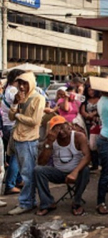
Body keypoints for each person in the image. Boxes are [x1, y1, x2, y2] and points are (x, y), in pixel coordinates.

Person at [35, 116, 91, 216]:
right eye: (56, 129)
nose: (60, 132)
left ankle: (77, 203)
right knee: (38, 170)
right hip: (59, 173)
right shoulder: (52, 140)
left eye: (62, 127)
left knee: (85, 170)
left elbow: (87, 157)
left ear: (69, 126)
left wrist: (75, 172)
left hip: (76, 172)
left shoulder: (78, 136)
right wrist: (48, 143)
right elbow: (42, 162)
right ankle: (47, 203)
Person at [7, 72, 46, 215]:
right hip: (17, 138)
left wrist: (18, 115)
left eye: (25, 83)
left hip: (28, 140)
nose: (22, 87)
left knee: (27, 174)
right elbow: (11, 117)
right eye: (20, 83)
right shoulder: (20, 97)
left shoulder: (38, 98)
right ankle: (29, 201)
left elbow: (35, 121)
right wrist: (15, 104)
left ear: (31, 83)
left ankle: (26, 203)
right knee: (25, 173)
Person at [2, 69, 25, 195]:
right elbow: (19, 106)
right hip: (12, 126)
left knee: (11, 155)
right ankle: (10, 184)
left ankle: (18, 180)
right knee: (16, 157)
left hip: (6, 125)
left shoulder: (7, 89)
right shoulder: (13, 91)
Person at [80, 85, 101, 171]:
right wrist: (87, 115)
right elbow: (82, 111)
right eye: (89, 90)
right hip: (89, 124)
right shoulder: (85, 101)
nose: (91, 92)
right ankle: (94, 163)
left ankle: (101, 162)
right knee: (91, 144)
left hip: (99, 124)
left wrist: (93, 114)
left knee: (99, 143)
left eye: (92, 90)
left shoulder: (100, 100)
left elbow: (101, 109)